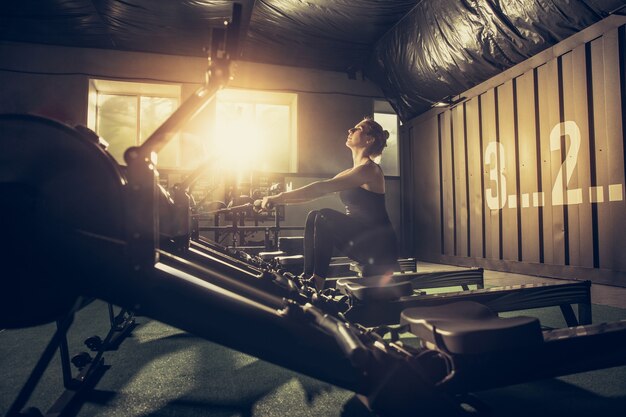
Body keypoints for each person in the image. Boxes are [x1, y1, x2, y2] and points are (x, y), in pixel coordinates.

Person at [256, 117, 399, 290]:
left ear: (369, 139)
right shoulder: (351, 171)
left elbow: (321, 188)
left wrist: (278, 197)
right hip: (361, 237)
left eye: (358, 128)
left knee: (324, 216)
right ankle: (308, 276)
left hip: (378, 244)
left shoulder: (369, 169)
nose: (350, 131)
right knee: (314, 216)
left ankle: (317, 282)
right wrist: (276, 201)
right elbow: (312, 195)